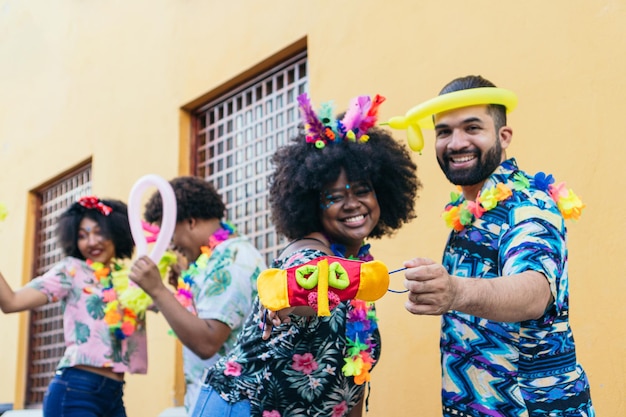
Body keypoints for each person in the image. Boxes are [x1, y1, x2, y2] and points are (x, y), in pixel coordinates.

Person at [190, 93, 421, 417]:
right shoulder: (309, 254)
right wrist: (286, 298)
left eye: (362, 190)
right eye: (334, 196)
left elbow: (353, 379)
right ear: (312, 204)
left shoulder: (354, 268)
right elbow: (299, 285)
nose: (352, 203)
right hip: (243, 407)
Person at [403, 75, 594, 416]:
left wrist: (455, 292)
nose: (456, 142)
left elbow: (534, 293)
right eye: (444, 131)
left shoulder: (528, 203)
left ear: (503, 136)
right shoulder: (471, 213)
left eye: (472, 127)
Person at [129, 176, 266, 414]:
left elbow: (207, 342)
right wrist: (165, 299)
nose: (171, 245)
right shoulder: (216, 260)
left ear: (191, 222)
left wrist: (158, 290)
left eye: (169, 235)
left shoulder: (230, 261)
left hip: (231, 404)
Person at [0, 196, 143, 417]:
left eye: (99, 232)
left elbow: (167, 304)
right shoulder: (71, 271)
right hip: (76, 391)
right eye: (82, 236)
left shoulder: (129, 278)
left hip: (114, 394)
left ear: (116, 232)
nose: (92, 242)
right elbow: (11, 302)